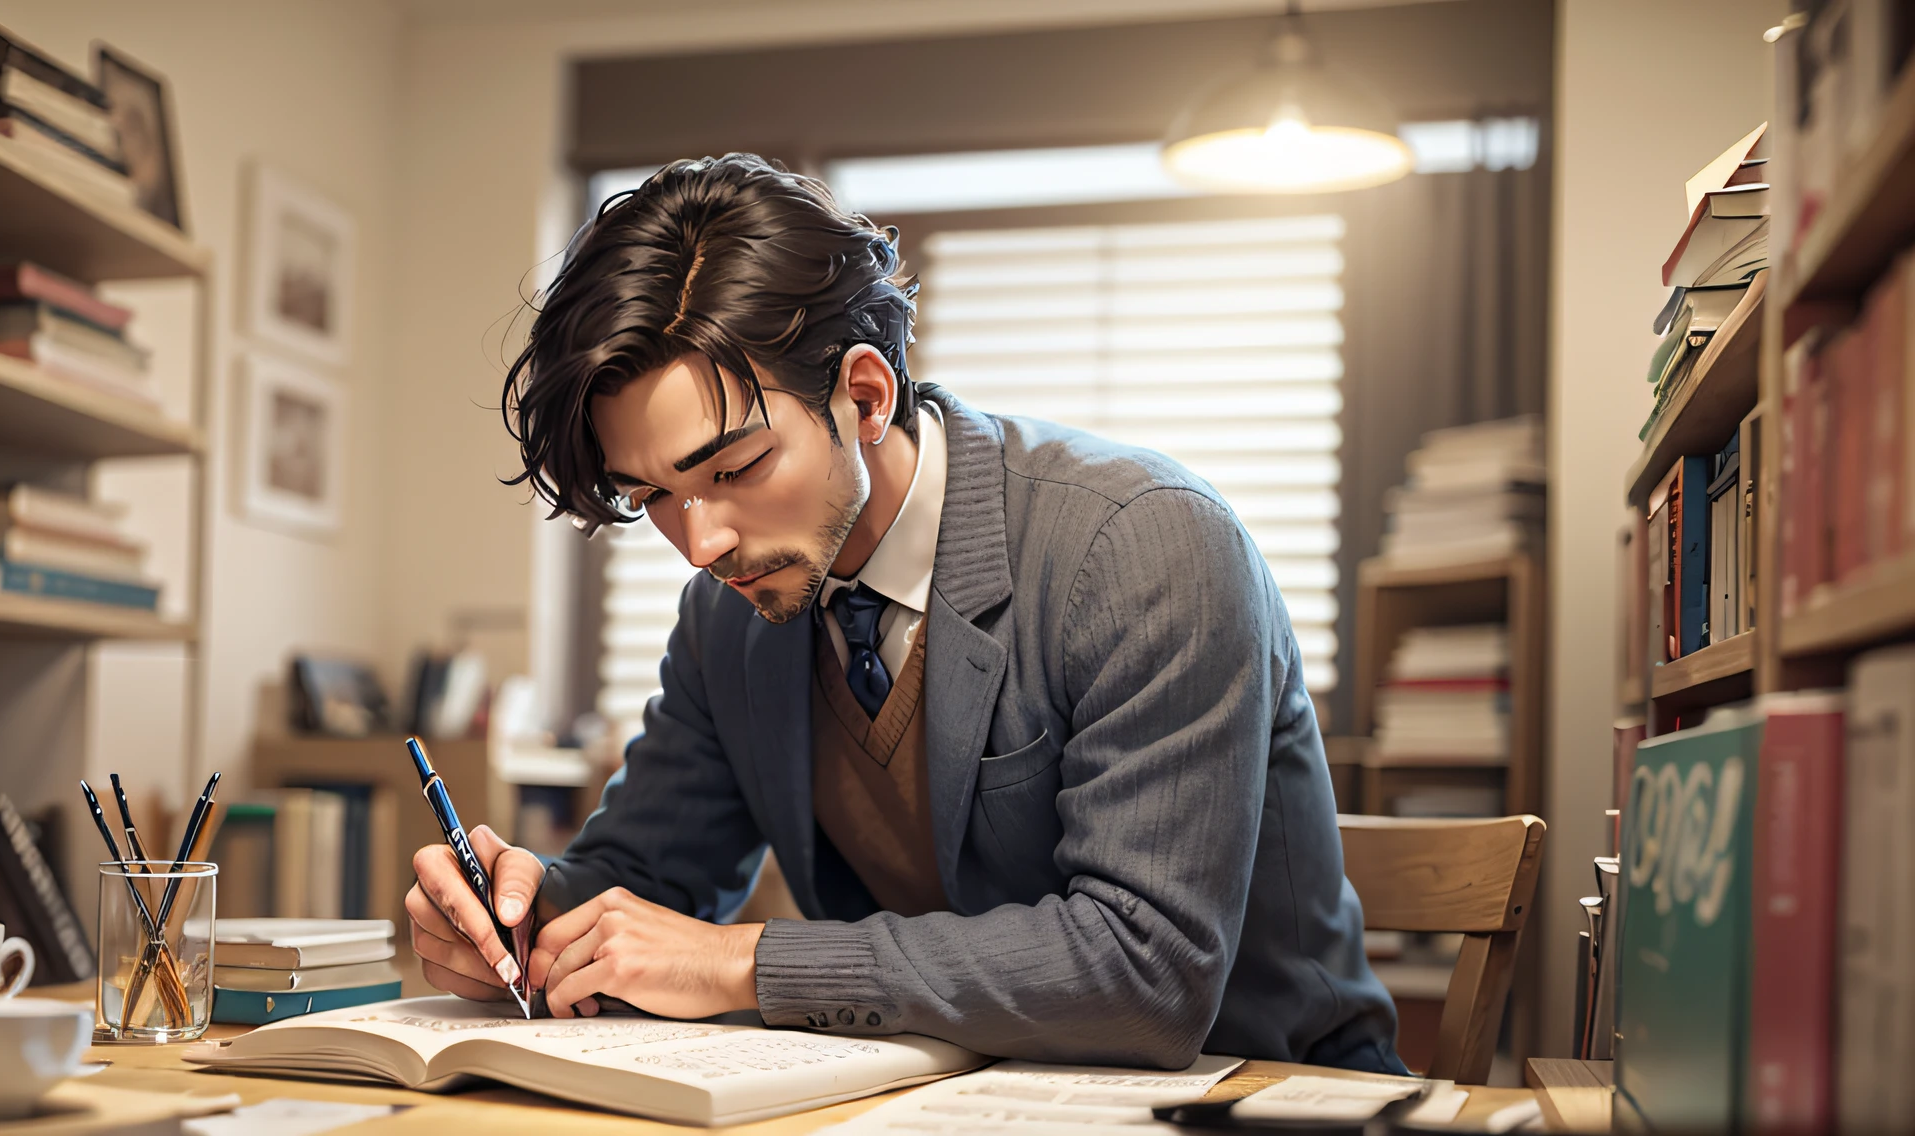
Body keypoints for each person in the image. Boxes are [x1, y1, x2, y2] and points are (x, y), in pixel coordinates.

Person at [405, 153, 1403, 1072]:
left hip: (1262, 1095)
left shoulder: (1142, 546)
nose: (699, 542)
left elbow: (1145, 971)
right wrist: (523, 907)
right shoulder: (728, 617)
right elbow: (651, 874)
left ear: (866, 394)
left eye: (735, 468)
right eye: (652, 493)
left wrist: (746, 962)